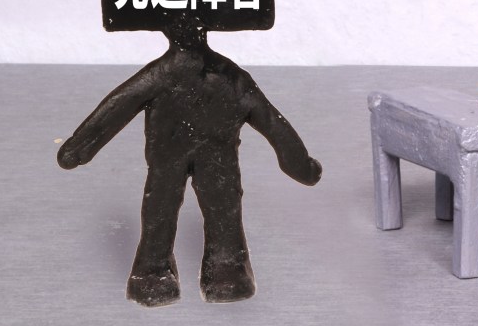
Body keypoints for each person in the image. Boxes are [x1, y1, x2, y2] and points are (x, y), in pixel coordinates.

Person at [57, 20, 322, 307]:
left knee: (161, 210)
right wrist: (300, 165)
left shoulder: (160, 75)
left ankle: (153, 274)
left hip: (170, 159)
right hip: (215, 160)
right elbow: (271, 121)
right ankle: (226, 273)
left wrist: (78, 148)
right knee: (221, 211)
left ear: (166, 30)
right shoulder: (231, 77)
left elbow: (117, 107)